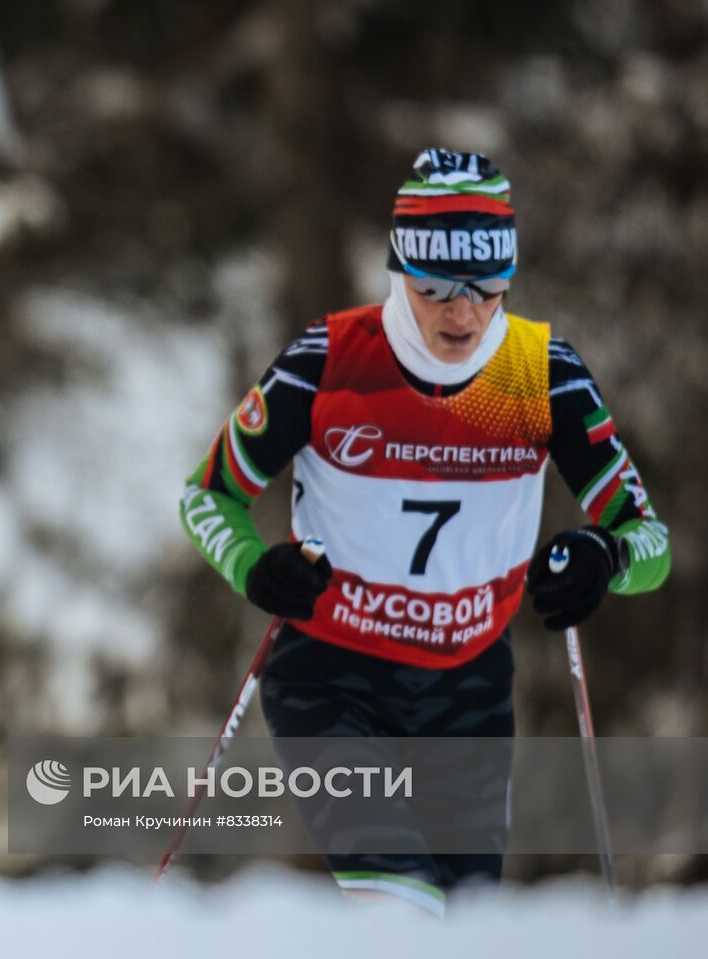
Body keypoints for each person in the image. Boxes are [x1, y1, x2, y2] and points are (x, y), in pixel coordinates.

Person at [180, 149, 670, 916]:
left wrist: (603, 558)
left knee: (463, 923)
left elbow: (651, 542)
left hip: (468, 690)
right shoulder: (329, 361)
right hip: (330, 676)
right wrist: (254, 567)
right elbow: (207, 497)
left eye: (485, 283)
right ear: (397, 267)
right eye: (435, 283)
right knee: (400, 904)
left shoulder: (542, 376)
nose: (462, 311)